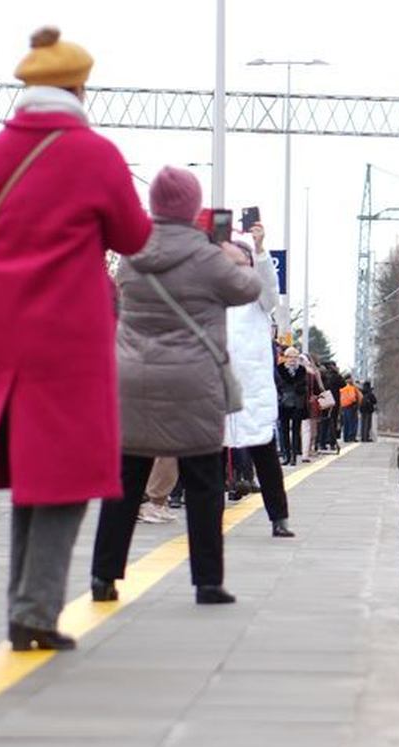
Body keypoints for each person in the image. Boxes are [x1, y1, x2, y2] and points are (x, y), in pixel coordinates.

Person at [0, 25, 152, 652]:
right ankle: (36, 613)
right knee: (66, 473)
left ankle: (26, 608)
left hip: (2, 327)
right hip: (69, 334)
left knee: (32, 473)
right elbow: (133, 235)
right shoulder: (95, 154)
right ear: (77, 89)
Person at [89, 165, 262, 608]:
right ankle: (207, 582)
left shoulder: (132, 255)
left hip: (134, 379)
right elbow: (248, 291)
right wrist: (239, 255)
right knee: (204, 481)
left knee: (126, 479)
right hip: (193, 381)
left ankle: (104, 575)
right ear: (192, 207)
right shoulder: (208, 258)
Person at [222, 225, 295, 538]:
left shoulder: (258, 298)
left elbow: (270, 287)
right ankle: (206, 516)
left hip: (252, 388)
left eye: (240, 263)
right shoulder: (214, 294)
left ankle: (279, 517)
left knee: (264, 454)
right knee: (210, 456)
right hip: (218, 385)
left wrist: (261, 248)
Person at [275, 346, 308, 466]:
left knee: (295, 430)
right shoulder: (280, 369)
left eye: (295, 357)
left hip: (297, 403)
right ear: (286, 358)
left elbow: (304, 386)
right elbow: (277, 385)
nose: (293, 359)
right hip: (283, 402)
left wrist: (300, 390)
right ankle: (286, 455)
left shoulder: (302, 370)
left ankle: (294, 456)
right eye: (290, 357)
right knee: (284, 430)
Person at [339, 373, 360, 443]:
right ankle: (351, 437)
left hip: (344, 406)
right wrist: (355, 403)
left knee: (346, 423)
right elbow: (352, 397)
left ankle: (346, 437)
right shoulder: (351, 387)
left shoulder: (342, 387)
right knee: (352, 422)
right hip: (351, 406)